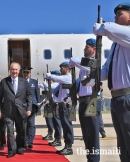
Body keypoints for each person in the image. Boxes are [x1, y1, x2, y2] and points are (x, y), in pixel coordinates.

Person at [93, 2, 130, 161]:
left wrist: (100, 27)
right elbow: (105, 72)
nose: (115, 17)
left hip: (128, 97)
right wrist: (90, 75)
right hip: (117, 99)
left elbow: (105, 28)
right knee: (122, 144)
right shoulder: (117, 44)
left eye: (119, 14)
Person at [69, 38, 100, 161]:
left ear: (94, 49)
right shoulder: (84, 66)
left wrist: (72, 62)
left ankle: (94, 159)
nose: (85, 48)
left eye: (88, 46)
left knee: (92, 134)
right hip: (83, 102)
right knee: (86, 134)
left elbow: (73, 60)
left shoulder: (93, 62)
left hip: (91, 101)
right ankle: (90, 158)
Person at [0, 62, 32, 158]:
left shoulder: (24, 82)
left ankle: (20, 148)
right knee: (10, 131)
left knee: (21, 131)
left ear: (19, 71)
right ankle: (11, 150)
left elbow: (29, 96)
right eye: (12, 69)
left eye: (16, 69)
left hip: (21, 111)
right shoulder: (4, 81)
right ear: (10, 70)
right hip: (8, 111)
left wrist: (29, 108)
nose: (14, 71)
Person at [46, 62, 74, 155]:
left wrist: (49, 75)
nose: (60, 70)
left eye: (62, 68)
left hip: (65, 106)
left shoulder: (67, 77)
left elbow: (56, 78)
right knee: (65, 126)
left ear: (66, 68)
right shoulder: (63, 81)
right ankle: (67, 146)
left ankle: (69, 147)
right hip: (62, 106)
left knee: (67, 126)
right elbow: (54, 90)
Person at [22, 66, 41, 149]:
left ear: (30, 73)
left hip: (32, 105)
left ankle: (30, 141)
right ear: (22, 73)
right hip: (22, 106)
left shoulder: (34, 82)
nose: (26, 74)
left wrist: (38, 105)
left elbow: (37, 94)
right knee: (24, 124)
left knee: (31, 124)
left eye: (27, 73)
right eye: (24, 72)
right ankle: (25, 141)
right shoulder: (20, 81)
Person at [45, 70, 62, 147]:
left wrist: (47, 81)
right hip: (54, 104)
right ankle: (56, 138)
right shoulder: (55, 84)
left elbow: (49, 86)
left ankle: (58, 139)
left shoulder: (57, 84)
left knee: (57, 123)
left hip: (57, 105)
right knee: (55, 122)